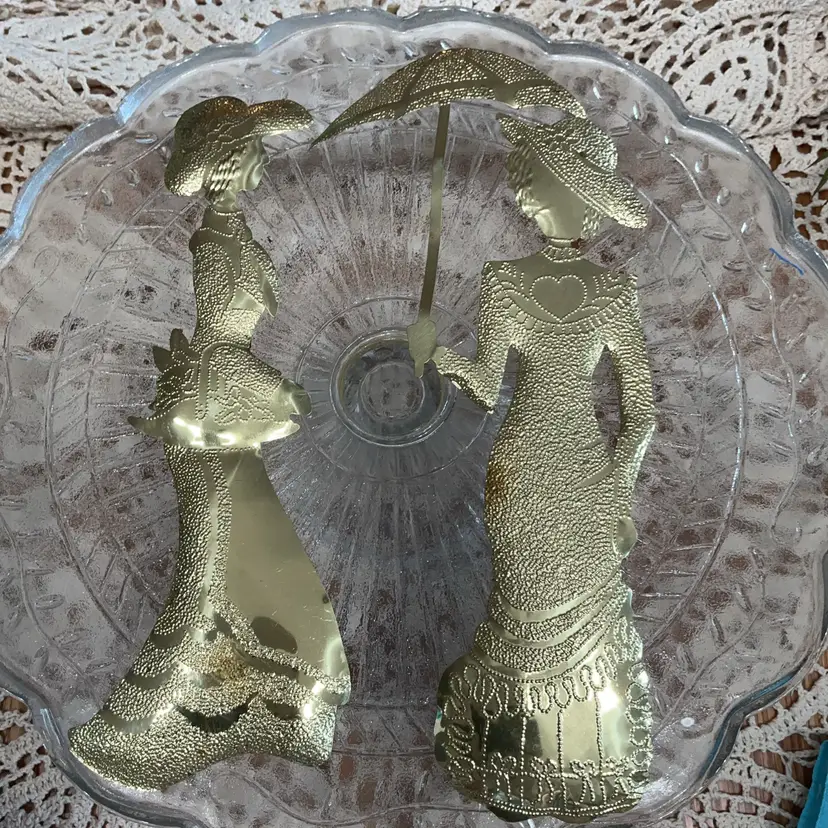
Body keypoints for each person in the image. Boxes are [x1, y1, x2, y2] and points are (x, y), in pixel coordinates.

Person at [70, 97, 350, 790]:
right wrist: (275, 391)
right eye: (255, 146)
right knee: (215, 560)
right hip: (213, 403)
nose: (262, 158)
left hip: (219, 403)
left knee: (234, 557)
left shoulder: (230, 231)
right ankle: (155, 727)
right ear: (231, 157)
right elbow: (222, 335)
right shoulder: (219, 242)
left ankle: (257, 701)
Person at [410, 114, 656, 821]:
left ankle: (582, 760)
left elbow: (642, 412)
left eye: (534, 182)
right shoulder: (510, 282)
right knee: (521, 600)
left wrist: (612, 493)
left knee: (574, 604)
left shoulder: (604, 291)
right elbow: (491, 386)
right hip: (529, 472)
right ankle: (512, 756)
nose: (524, 195)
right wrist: (435, 354)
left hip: (558, 465)